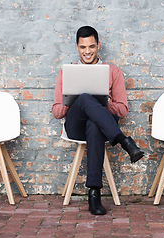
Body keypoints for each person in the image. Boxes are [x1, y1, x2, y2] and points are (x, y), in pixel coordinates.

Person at [52, 26, 144, 215]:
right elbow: (56, 111)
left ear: (98, 45)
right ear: (77, 47)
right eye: (83, 47)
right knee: (85, 97)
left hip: (101, 127)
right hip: (75, 125)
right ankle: (124, 142)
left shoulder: (113, 72)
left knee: (94, 124)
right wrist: (74, 100)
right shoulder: (66, 73)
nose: (88, 51)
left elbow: (123, 110)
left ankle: (94, 194)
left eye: (92, 47)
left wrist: (104, 102)